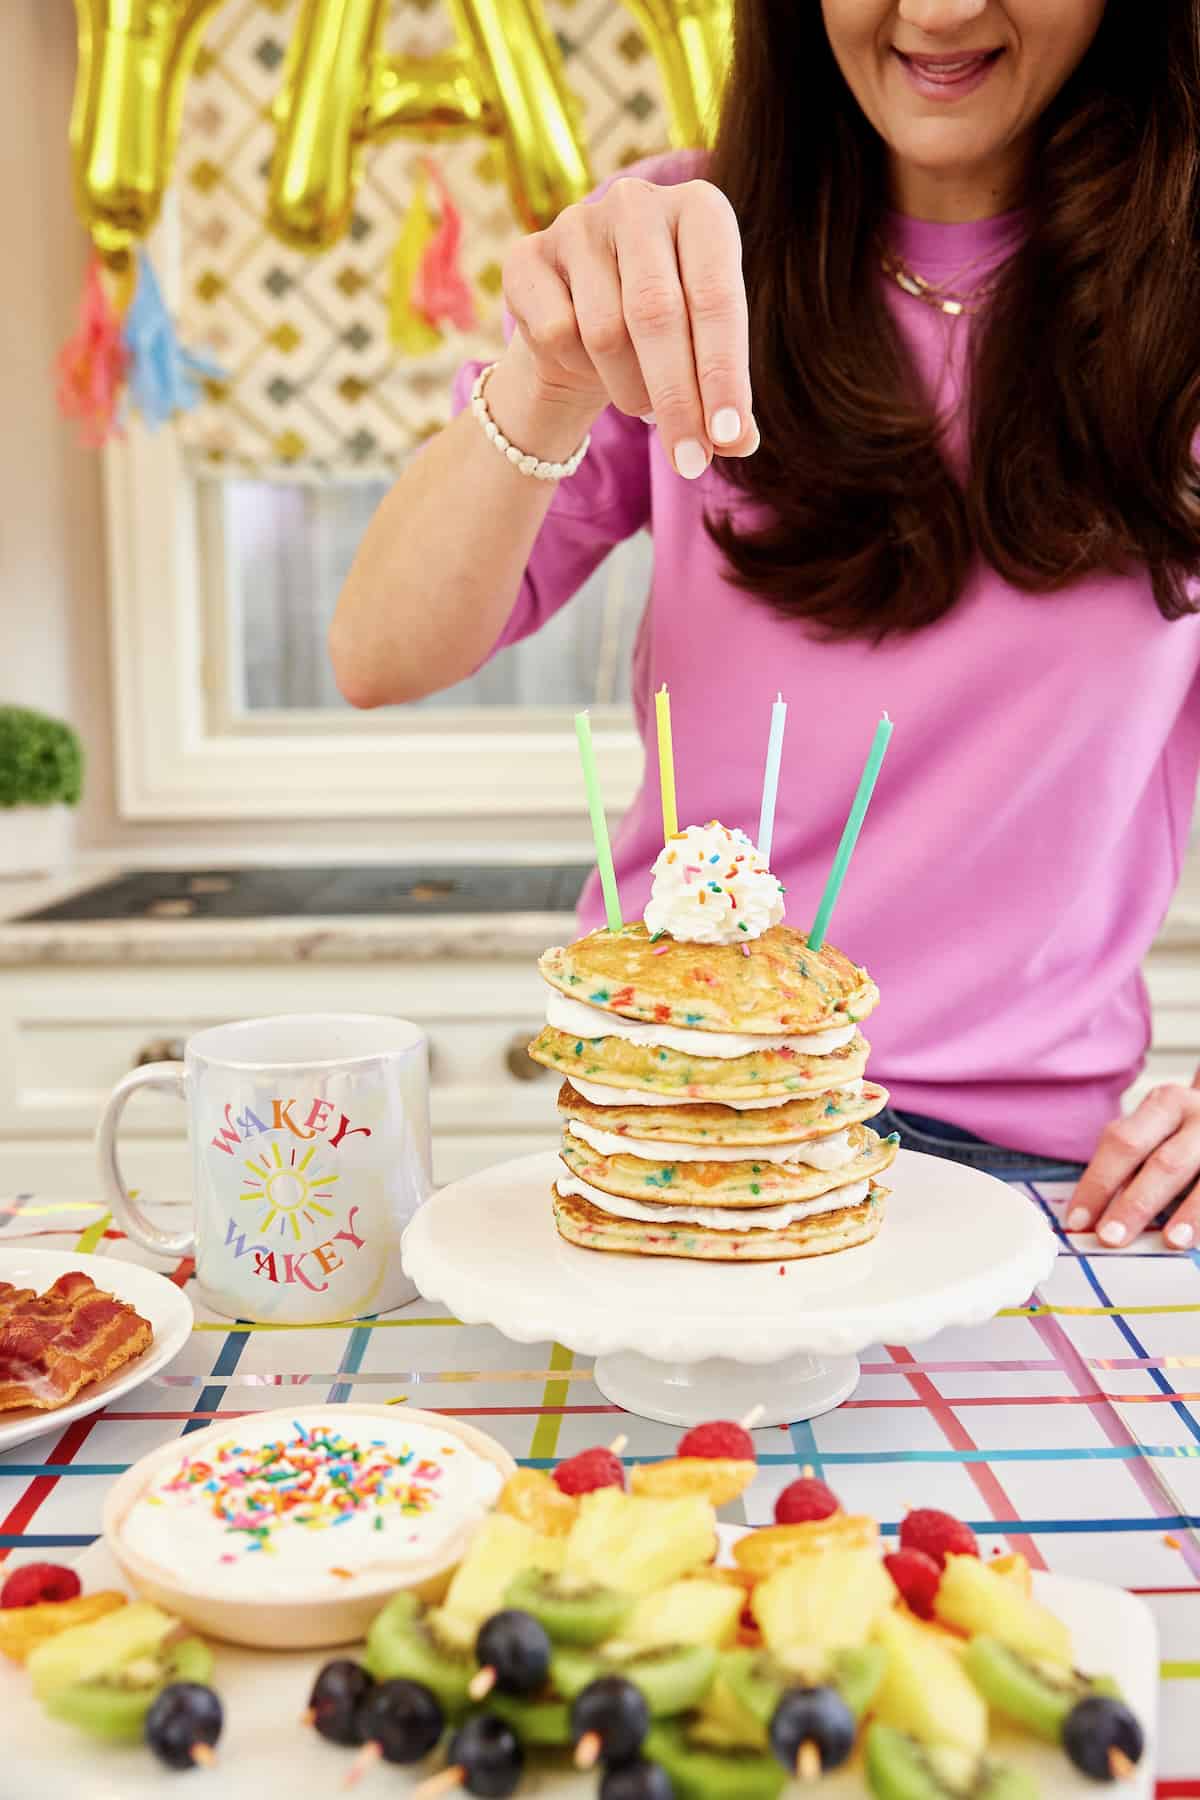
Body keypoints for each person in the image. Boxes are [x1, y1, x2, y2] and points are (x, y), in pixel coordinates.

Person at [331, 1, 1200, 1248]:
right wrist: (549, 374)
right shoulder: (672, 256)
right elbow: (380, 652)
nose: (939, 11)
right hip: (668, 1119)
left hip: (1039, 1181)